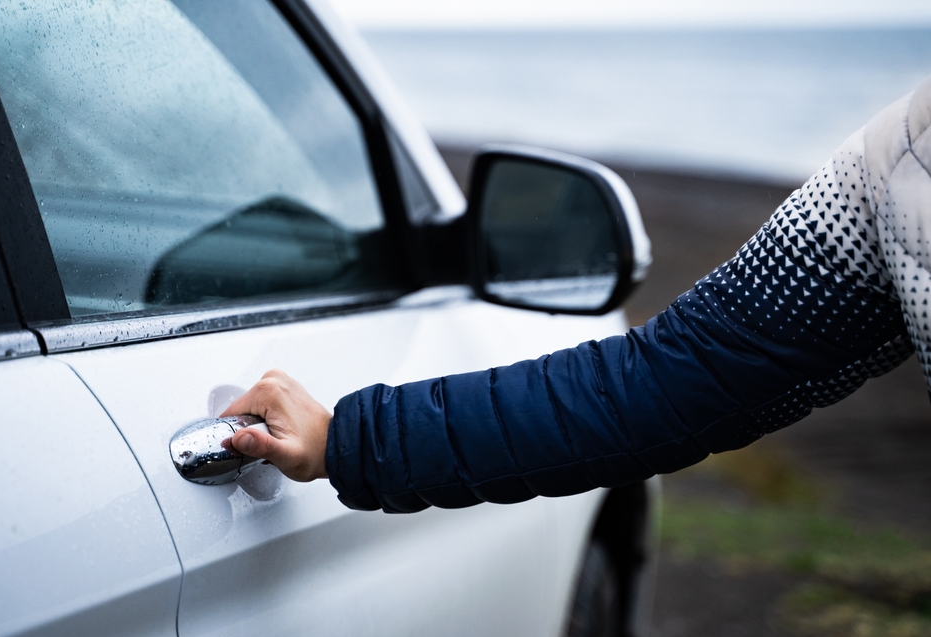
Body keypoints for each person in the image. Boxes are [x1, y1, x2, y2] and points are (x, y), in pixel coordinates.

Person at [222, 76, 931, 514]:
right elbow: (679, 378)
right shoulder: (902, 157)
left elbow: (674, 381)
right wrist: (351, 440)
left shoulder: (901, 154)